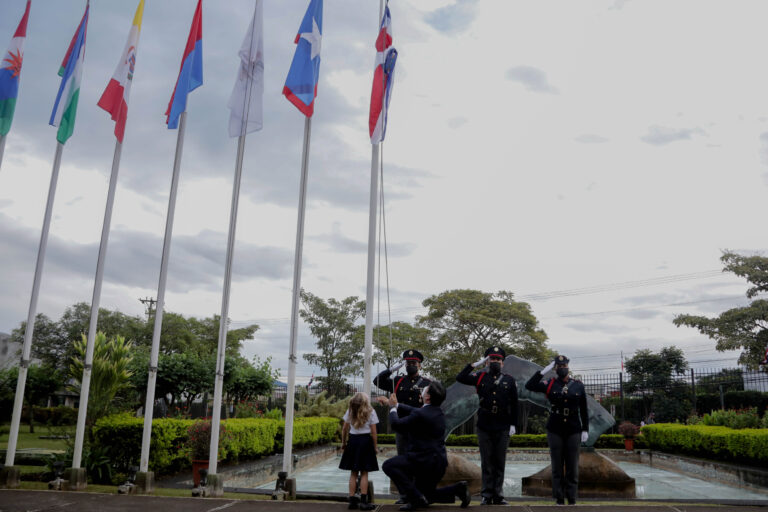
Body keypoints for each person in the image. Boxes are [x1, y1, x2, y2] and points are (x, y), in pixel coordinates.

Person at [378, 381, 471, 511]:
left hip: (422, 461)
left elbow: (396, 425)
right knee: (428, 495)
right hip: (438, 462)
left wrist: (392, 408)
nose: (423, 390)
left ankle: (415, 499)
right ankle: (458, 489)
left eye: (425, 390)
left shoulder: (421, 414)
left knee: (388, 465)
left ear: (427, 397)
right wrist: (395, 404)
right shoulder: (437, 411)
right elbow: (414, 410)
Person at [455, 346, 518, 505]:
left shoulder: (509, 380)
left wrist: (513, 424)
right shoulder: (479, 376)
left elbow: (515, 405)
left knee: (499, 461)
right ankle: (486, 494)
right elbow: (460, 377)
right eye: (492, 359)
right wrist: (474, 364)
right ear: (487, 361)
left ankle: (498, 495)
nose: (495, 362)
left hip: (503, 424)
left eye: (498, 359)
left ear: (502, 363)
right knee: (487, 461)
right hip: (484, 423)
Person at [525, 354, 588, 506]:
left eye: (564, 366)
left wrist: (585, 429)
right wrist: (542, 372)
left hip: (573, 428)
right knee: (557, 465)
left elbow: (584, 409)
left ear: (568, 366)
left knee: (572, 465)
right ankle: (559, 498)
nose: (562, 369)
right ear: (555, 369)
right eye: (559, 367)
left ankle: (572, 498)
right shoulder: (549, 383)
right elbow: (530, 385)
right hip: (555, 428)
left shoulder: (578, 385)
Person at [373, 349, 432, 503]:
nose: (411, 365)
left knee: (419, 463)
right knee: (403, 462)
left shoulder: (427, 383)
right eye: (408, 363)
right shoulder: (398, 381)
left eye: (414, 363)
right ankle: (405, 495)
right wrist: (394, 368)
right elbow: (377, 380)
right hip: (402, 427)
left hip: (419, 428)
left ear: (419, 365)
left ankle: (419, 494)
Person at [339, 392, 379, 510]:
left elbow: (344, 429)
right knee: (364, 473)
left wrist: (343, 443)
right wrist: (375, 446)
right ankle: (363, 502)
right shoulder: (371, 412)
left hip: (353, 442)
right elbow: (374, 432)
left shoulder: (350, 411)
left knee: (353, 473)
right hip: (366, 442)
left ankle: (352, 501)